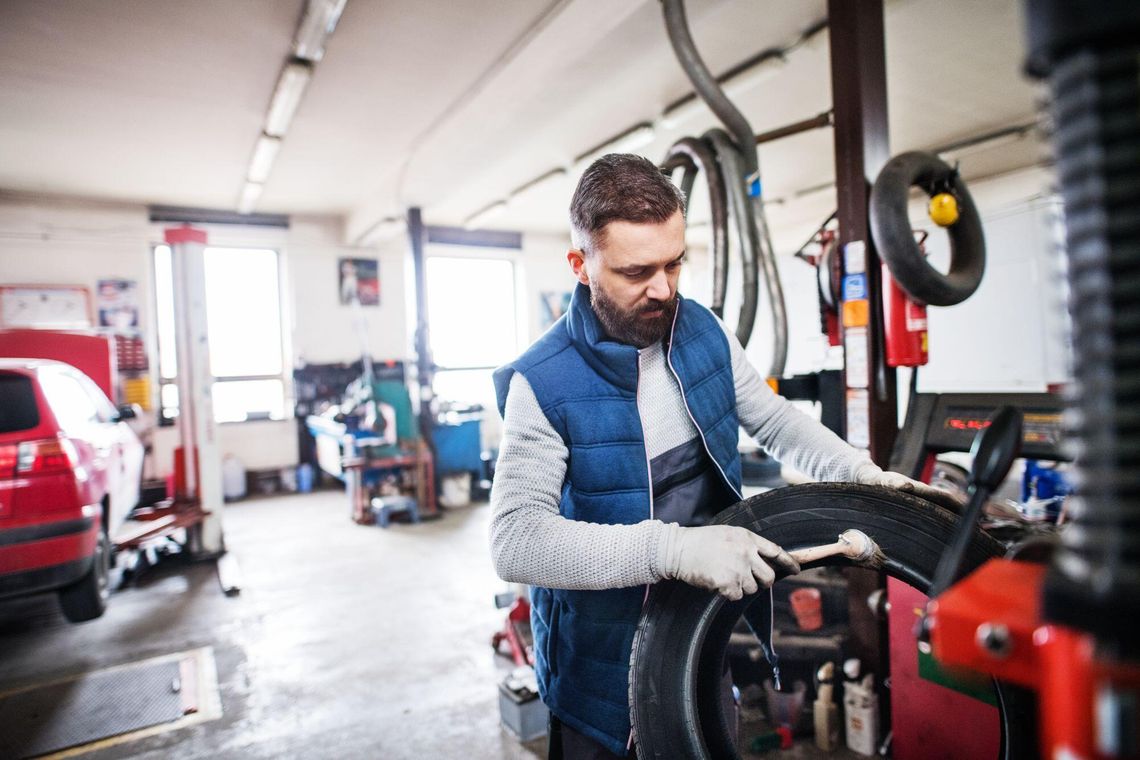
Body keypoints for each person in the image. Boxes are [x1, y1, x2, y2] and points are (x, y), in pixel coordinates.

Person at [489, 154, 947, 759]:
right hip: (597, 678)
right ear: (581, 265)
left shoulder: (701, 331)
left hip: (700, 640)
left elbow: (776, 420)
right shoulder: (541, 383)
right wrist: (672, 549)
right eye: (637, 271)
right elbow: (515, 541)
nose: (664, 289)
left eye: (674, 263)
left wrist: (860, 476)